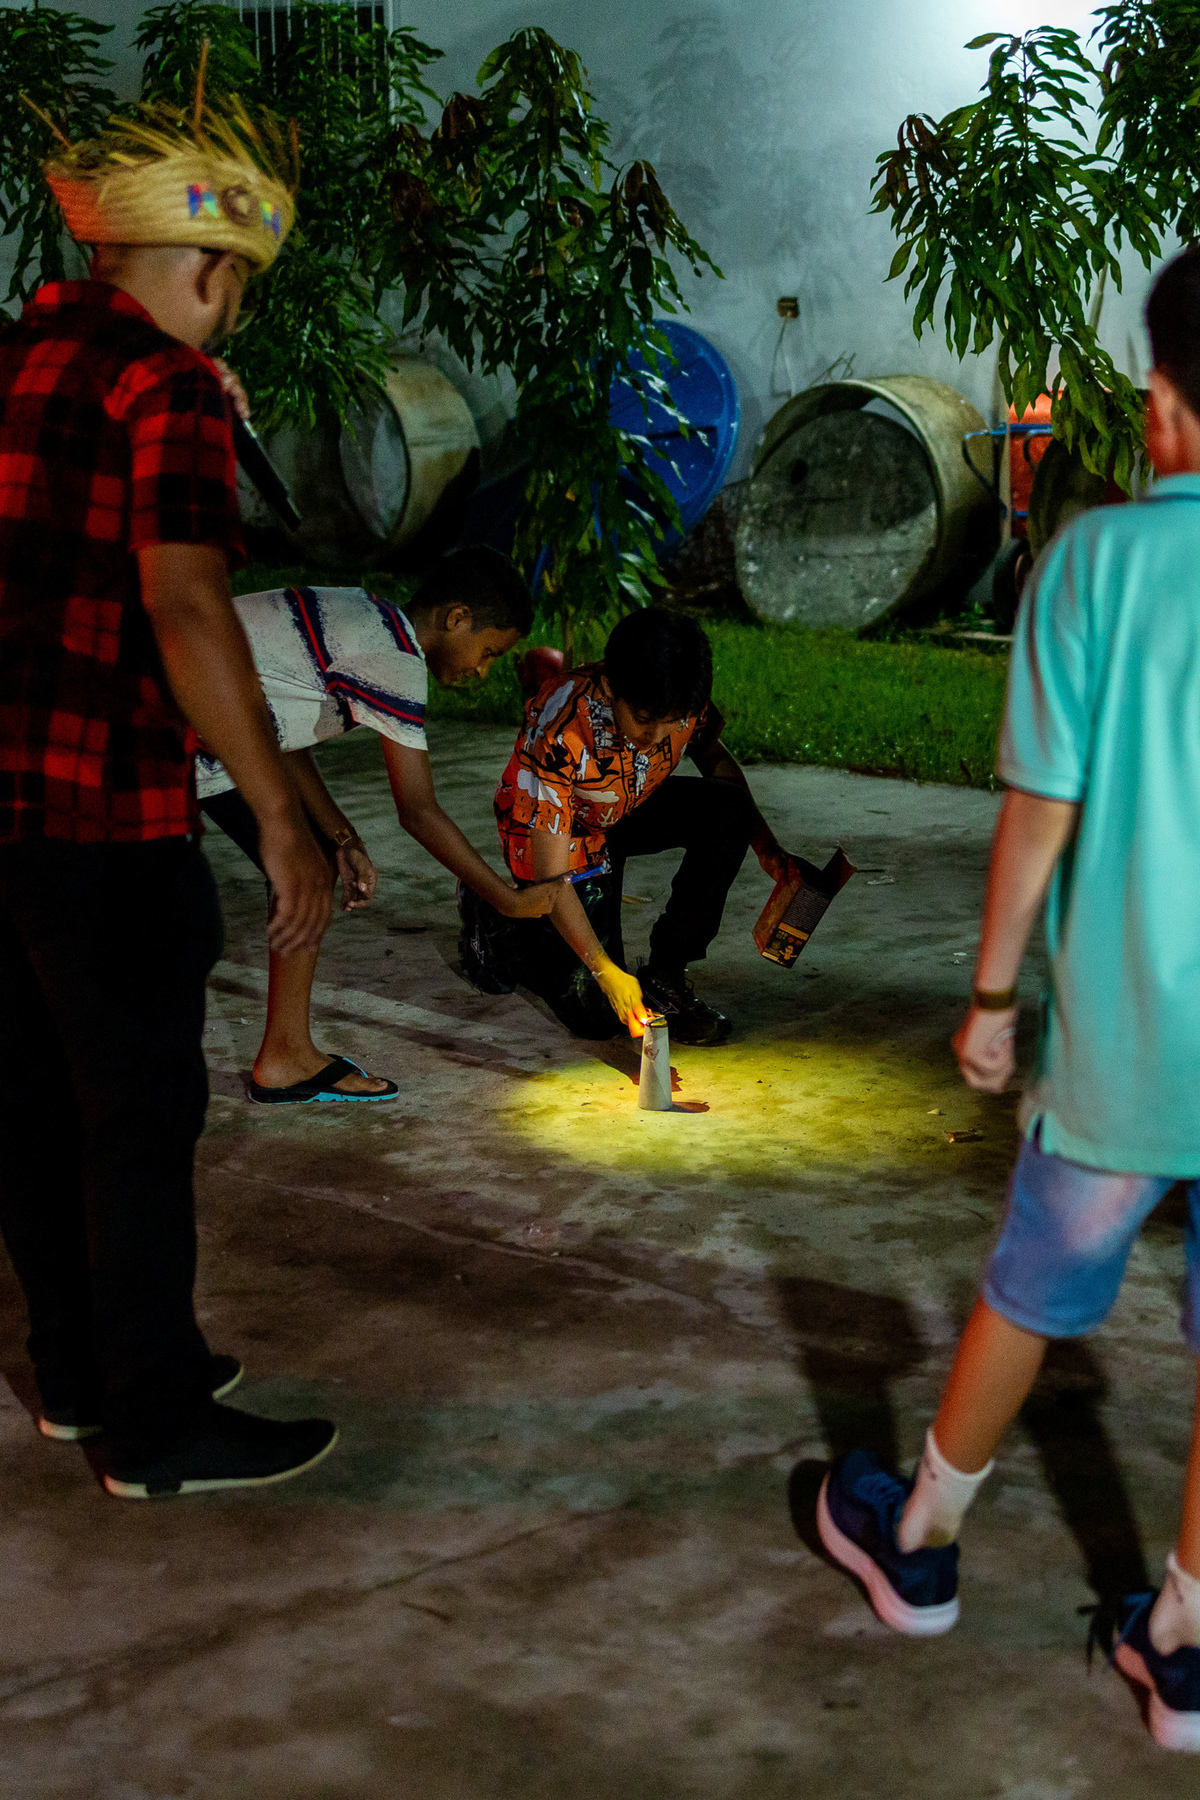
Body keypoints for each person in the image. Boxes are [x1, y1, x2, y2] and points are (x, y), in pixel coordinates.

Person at [816, 246, 1200, 1752]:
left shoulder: (1095, 565)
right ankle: (1183, 1640)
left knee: (1035, 1288)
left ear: (1163, 402)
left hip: (1129, 1040)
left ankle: (919, 1541)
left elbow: (1041, 809)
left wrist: (991, 996)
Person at [0, 95, 341, 1498]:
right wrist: (279, 812)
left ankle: (82, 1379)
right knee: (138, 1116)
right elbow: (189, 608)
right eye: (235, 287)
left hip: (4, 811)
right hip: (106, 816)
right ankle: (154, 1426)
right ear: (209, 269)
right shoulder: (171, 390)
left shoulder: (19, 358)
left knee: (33, 1100)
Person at [196, 548, 561, 1103]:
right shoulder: (396, 660)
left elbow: (282, 728)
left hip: (205, 714)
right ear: (457, 617)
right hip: (183, 722)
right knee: (301, 871)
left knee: (313, 861)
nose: (482, 670)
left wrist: (341, 835)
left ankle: (285, 1053)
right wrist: (506, 901)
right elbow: (418, 810)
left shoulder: (367, 612)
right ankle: (285, 1056)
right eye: (488, 652)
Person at [460, 606, 796, 1044]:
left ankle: (665, 976)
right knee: (600, 1015)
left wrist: (766, 847)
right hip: (554, 833)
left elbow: (713, 756)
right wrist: (604, 969)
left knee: (730, 809)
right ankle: (499, 922)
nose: (656, 736)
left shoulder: (677, 692)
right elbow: (551, 878)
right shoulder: (561, 729)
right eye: (643, 719)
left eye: (672, 722)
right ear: (611, 687)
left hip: (624, 805)